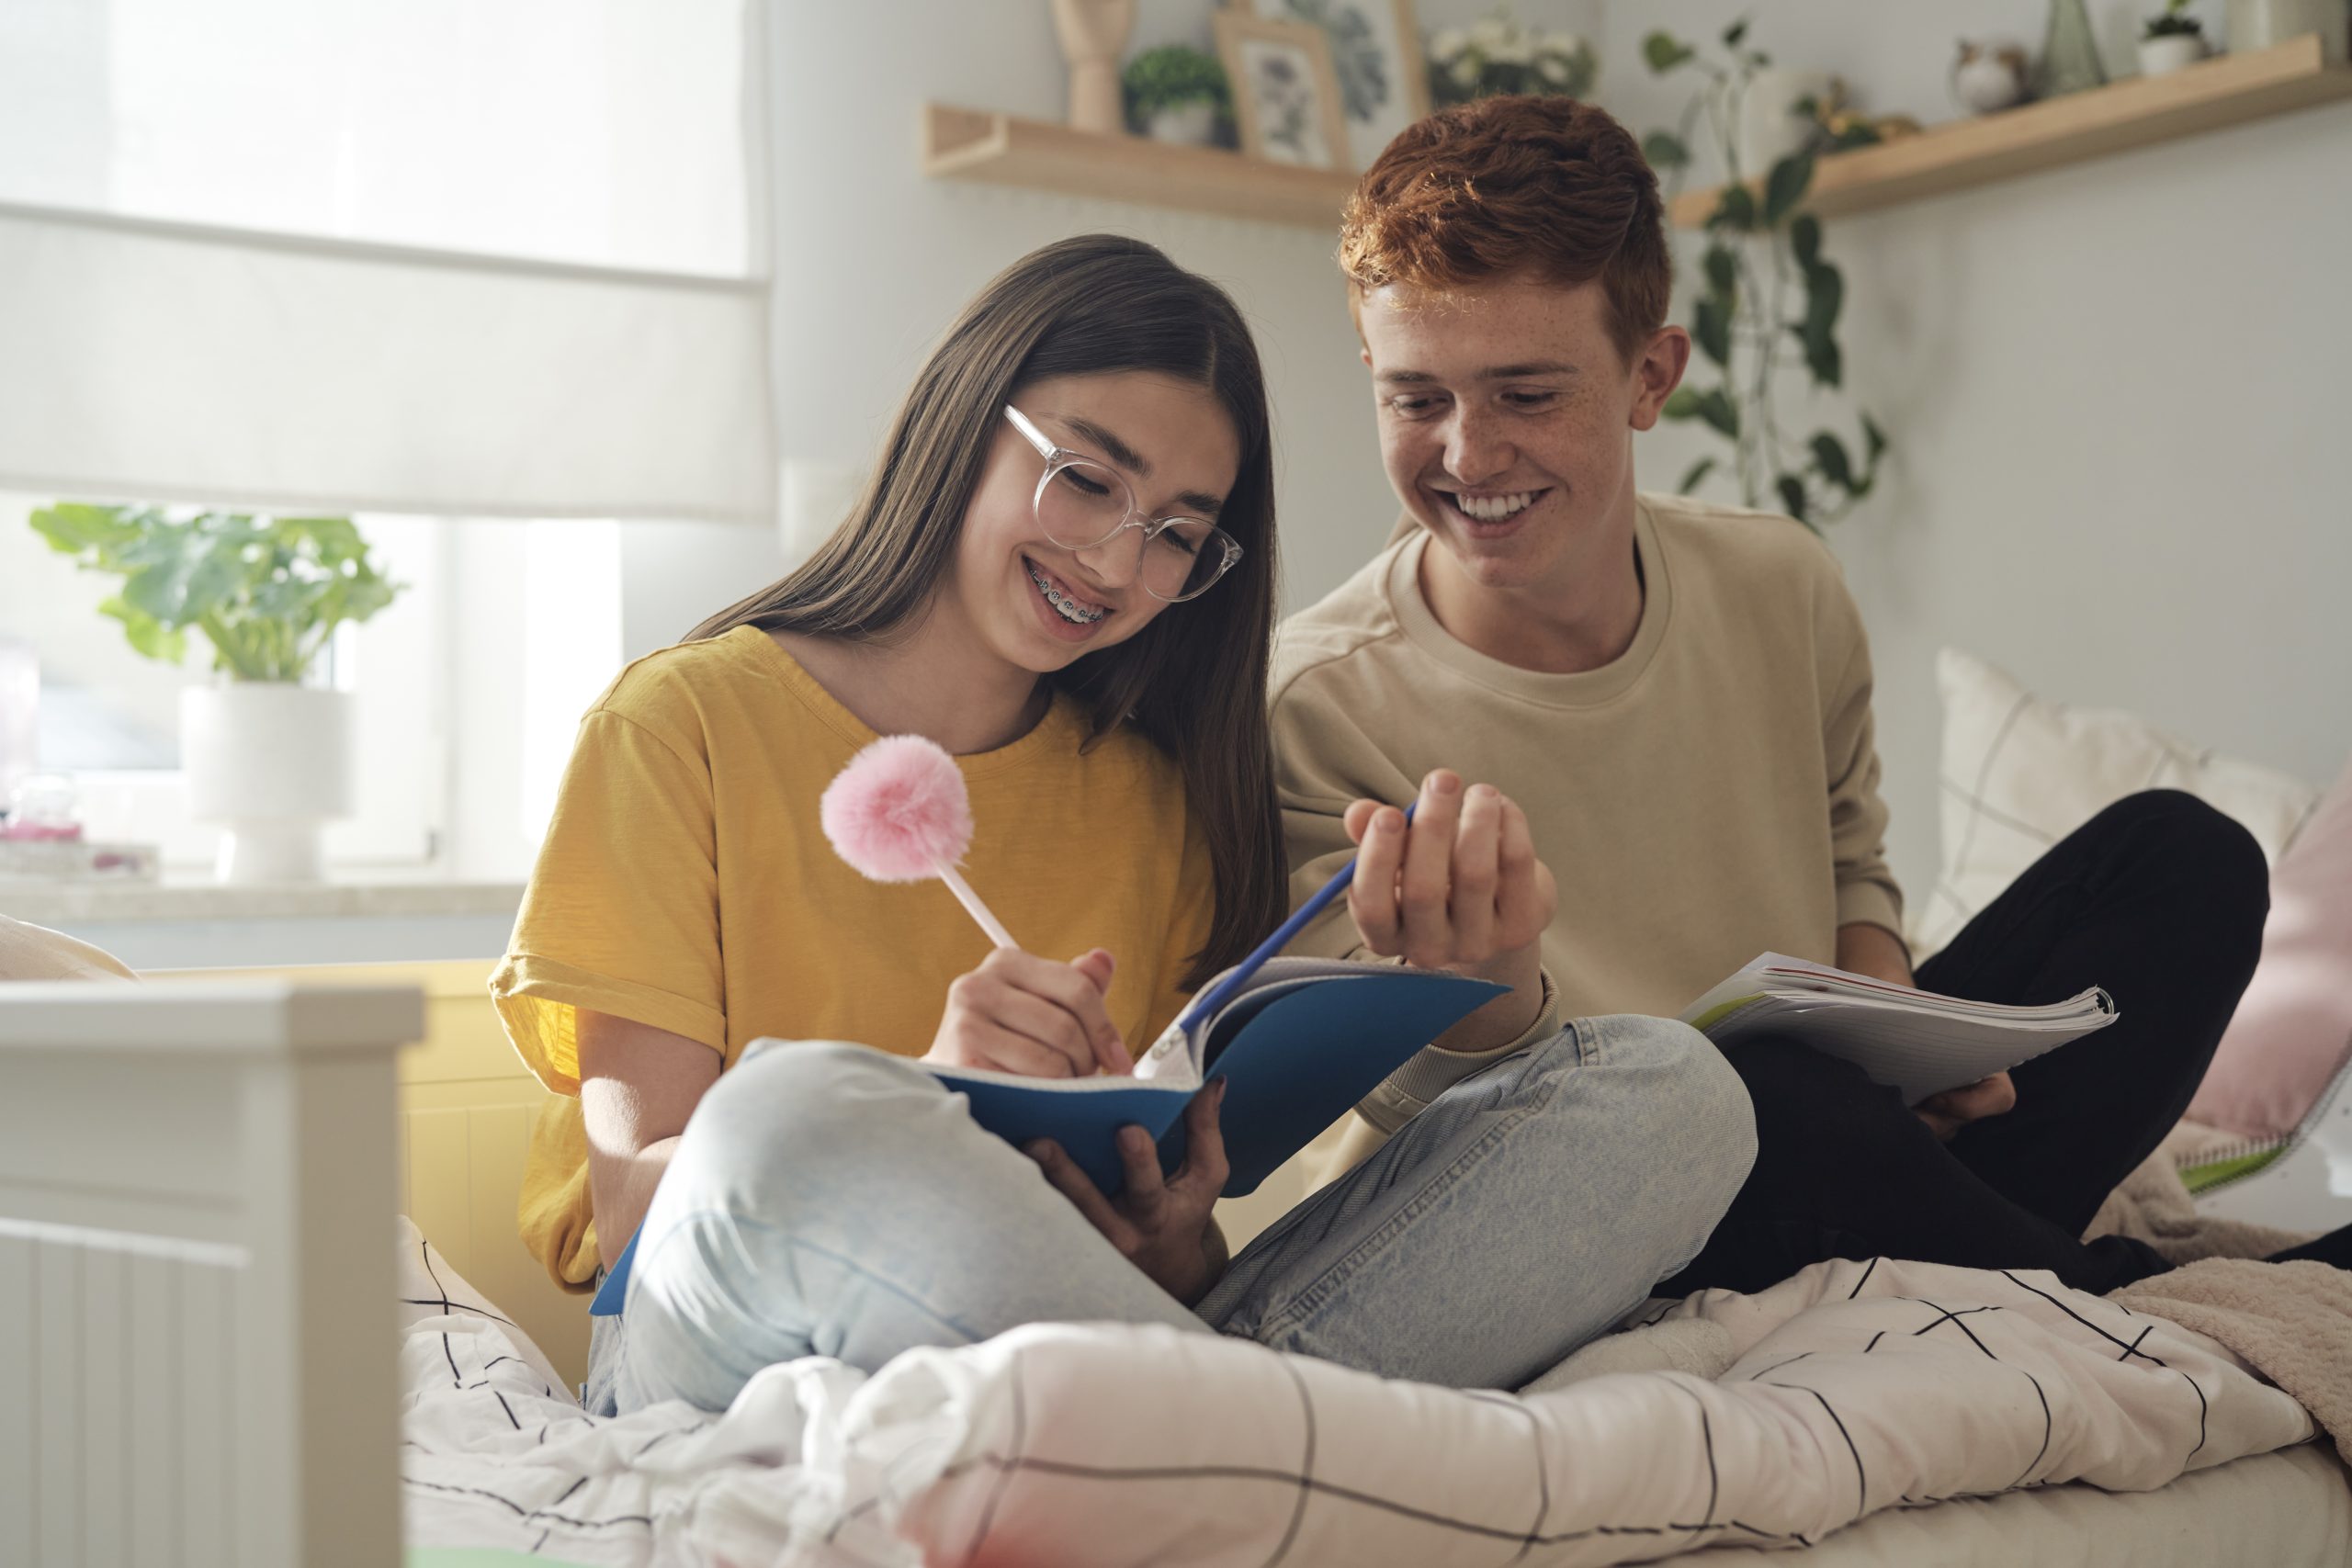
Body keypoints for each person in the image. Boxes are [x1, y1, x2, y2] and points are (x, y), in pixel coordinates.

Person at [492, 233, 1754, 1416]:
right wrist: (925, 1101)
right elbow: (634, 1211)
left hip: (1064, 1369)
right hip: (731, 1351)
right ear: (967, 421)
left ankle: (1199, 1450)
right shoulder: (681, 724)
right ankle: (1255, 1445)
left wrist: (1168, 1229)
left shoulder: (1157, 802)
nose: (1111, 562)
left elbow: (1176, 1259)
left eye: (1175, 536)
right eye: (1086, 479)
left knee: (1671, 1089)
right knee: (794, 1117)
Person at [1273, 94, 2346, 1298]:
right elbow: (1417, 1118)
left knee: (2185, 858)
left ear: (1651, 374)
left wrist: (1905, 1040)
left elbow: (1849, 864)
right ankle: (2123, 1297)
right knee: (1752, 1100)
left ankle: (1966, 1247)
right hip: (1564, 1212)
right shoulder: (1314, 705)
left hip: (1829, 1133)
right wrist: (1497, 991)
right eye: (1417, 398)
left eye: (1527, 394)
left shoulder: (1780, 581)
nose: (1467, 455)